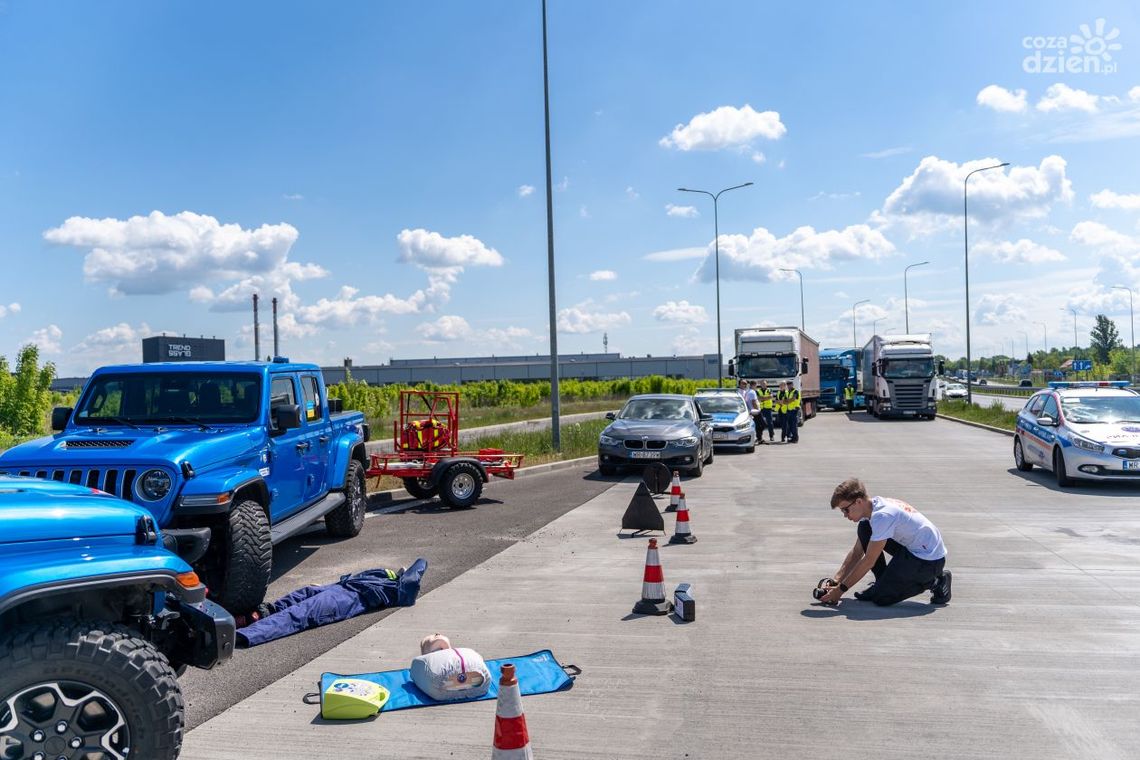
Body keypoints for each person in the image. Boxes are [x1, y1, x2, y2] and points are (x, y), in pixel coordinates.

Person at [817, 478, 951, 606]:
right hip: (911, 549)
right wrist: (836, 581)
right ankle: (882, 582)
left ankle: (936, 580)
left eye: (845, 509)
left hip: (929, 560)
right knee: (865, 529)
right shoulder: (872, 508)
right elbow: (857, 552)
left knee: (882, 597)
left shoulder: (883, 516)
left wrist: (840, 590)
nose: (845, 515)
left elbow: (869, 560)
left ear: (858, 502)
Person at [235, 559, 428, 647]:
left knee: (298, 614)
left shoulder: (397, 590)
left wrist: (411, 570)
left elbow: (420, 565)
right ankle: (257, 616)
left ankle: (242, 636)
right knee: (299, 596)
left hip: (346, 598)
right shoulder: (383, 578)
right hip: (339, 588)